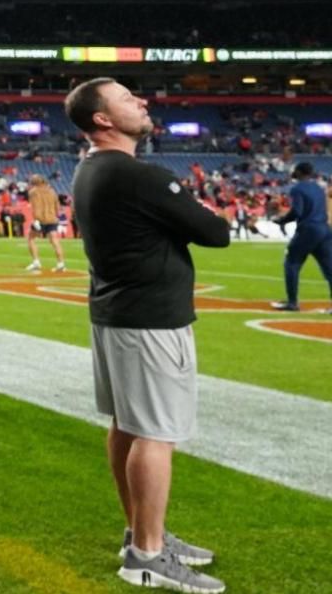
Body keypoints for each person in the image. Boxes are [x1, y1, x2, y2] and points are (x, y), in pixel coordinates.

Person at [65, 77, 227, 593]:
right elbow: (216, 232)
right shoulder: (139, 176)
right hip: (151, 319)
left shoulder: (91, 169)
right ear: (103, 120)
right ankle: (147, 555)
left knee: (129, 426)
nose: (142, 101)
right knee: (156, 433)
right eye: (126, 98)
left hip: (116, 313)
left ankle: (143, 532)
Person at [269, 161, 331, 312]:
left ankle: (292, 302)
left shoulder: (297, 188)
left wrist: (282, 220)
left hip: (308, 230)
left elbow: (297, 211)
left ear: (299, 172)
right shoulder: (319, 188)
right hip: (324, 229)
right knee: (329, 268)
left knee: (292, 263)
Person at [25, 173, 68, 272]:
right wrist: (55, 217)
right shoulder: (52, 191)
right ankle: (61, 263)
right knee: (55, 241)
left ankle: (36, 262)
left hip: (40, 219)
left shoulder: (33, 192)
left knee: (31, 238)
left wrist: (36, 220)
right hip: (52, 218)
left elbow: (35, 207)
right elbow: (57, 207)